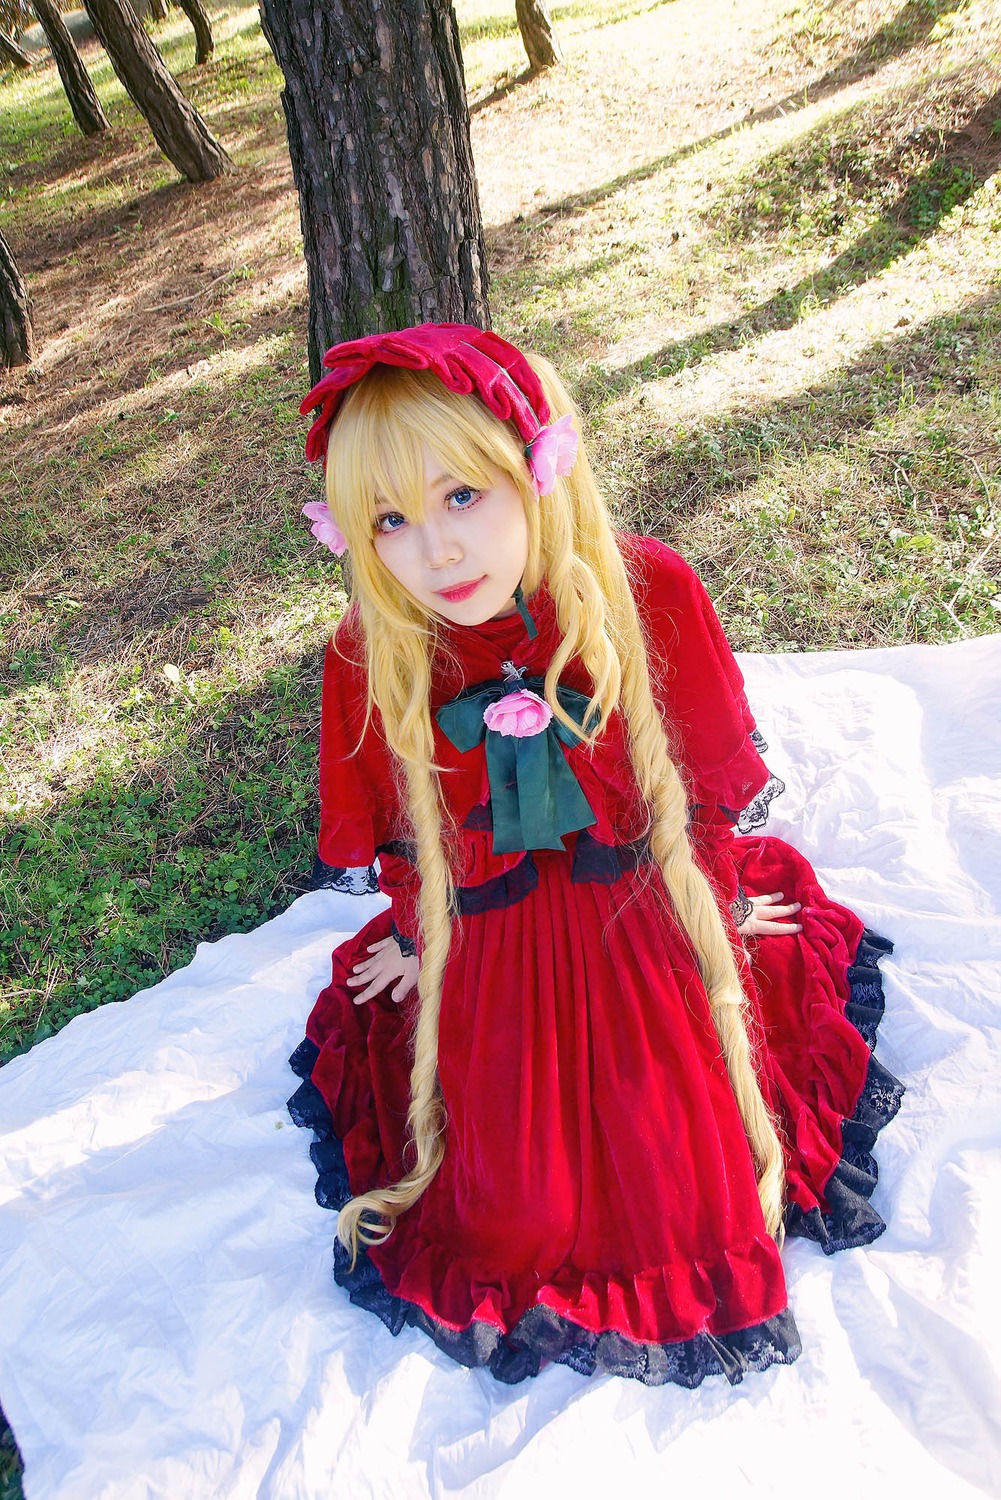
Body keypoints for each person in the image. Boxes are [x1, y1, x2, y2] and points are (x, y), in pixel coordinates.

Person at [287, 323, 903, 1388]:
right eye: (388, 519)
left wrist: (710, 906)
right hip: (493, 933)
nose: (434, 550)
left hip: (636, 909)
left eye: (462, 496)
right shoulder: (372, 652)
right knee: (513, 1212)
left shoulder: (646, 590)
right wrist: (412, 935)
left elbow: (702, 789)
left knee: (677, 1189)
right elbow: (398, 836)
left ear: (537, 469)